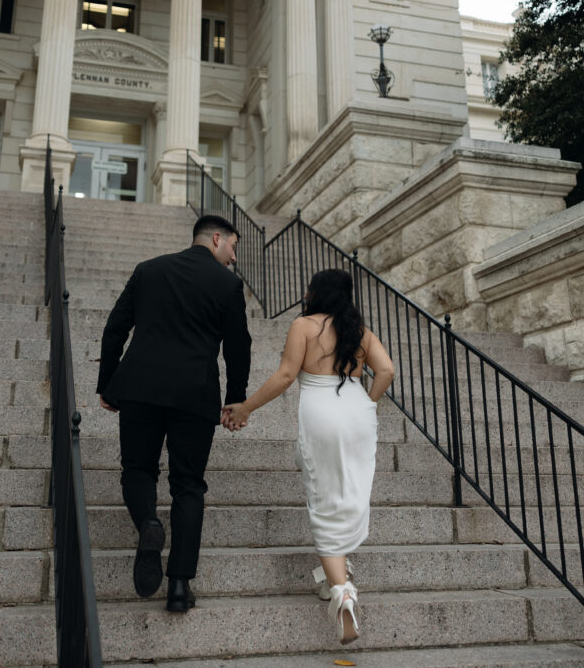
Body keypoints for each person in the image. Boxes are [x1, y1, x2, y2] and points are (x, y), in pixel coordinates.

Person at [224, 268, 394, 645]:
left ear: (317, 292)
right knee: (346, 490)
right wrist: (367, 404)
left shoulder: (303, 326)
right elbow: (386, 370)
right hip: (356, 408)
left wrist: (246, 408)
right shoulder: (359, 331)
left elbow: (286, 375)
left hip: (321, 411)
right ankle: (337, 570)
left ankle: (342, 591)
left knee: (323, 497)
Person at [97, 214, 251, 613]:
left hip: (139, 387)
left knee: (137, 469)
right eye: (233, 246)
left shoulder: (149, 270)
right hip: (195, 393)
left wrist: (107, 383)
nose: (234, 257)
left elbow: (116, 327)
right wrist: (235, 399)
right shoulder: (228, 285)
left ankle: (149, 523)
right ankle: (179, 585)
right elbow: (239, 347)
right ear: (216, 238)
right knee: (188, 485)